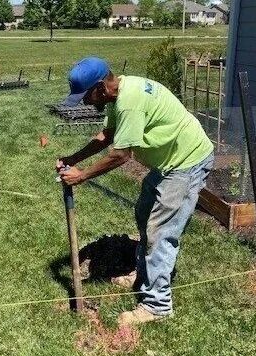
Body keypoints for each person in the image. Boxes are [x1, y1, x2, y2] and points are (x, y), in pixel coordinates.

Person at [56, 57, 214, 325]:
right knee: (144, 215)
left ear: (100, 88)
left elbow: (120, 155)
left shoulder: (129, 102)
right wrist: (74, 159)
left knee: (161, 232)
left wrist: (81, 176)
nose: (85, 102)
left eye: (86, 97)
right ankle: (143, 272)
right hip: (168, 163)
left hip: (186, 164)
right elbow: (108, 136)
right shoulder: (121, 93)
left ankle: (157, 305)